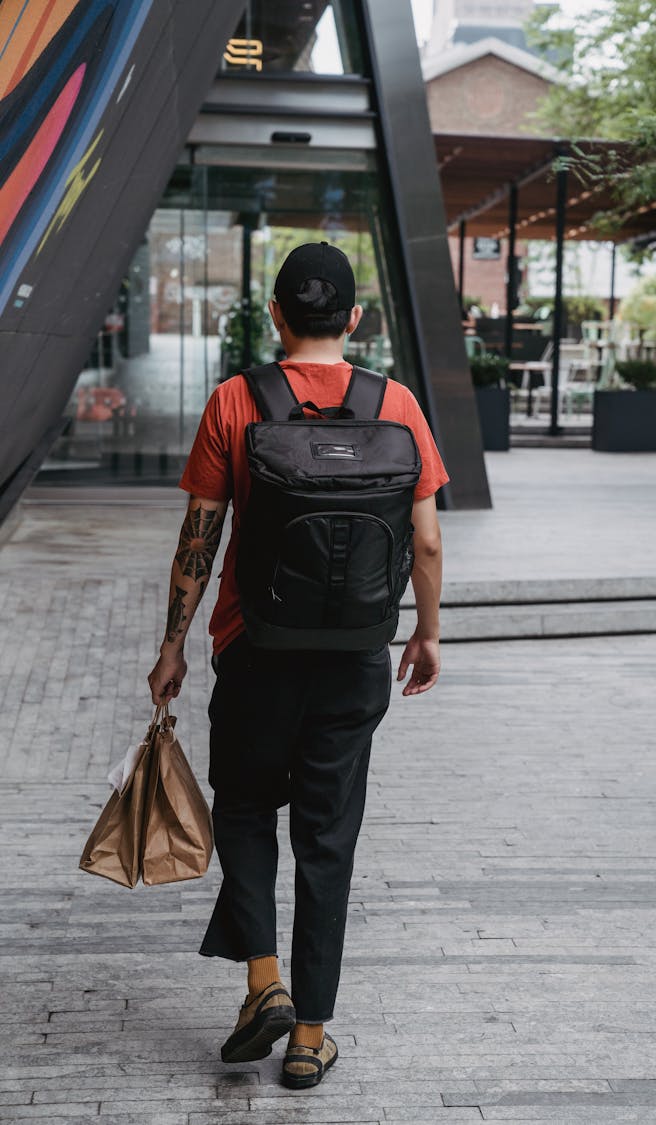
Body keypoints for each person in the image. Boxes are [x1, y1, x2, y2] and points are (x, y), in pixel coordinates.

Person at [148, 242, 448, 1089]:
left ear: (275, 314)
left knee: (244, 808)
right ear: (354, 319)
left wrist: (172, 643)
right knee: (328, 836)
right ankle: (310, 1035)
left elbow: (198, 539)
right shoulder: (398, 405)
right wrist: (425, 632)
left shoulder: (236, 401)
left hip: (254, 648)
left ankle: (263, 983)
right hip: (355, 656)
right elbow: (425, 538)